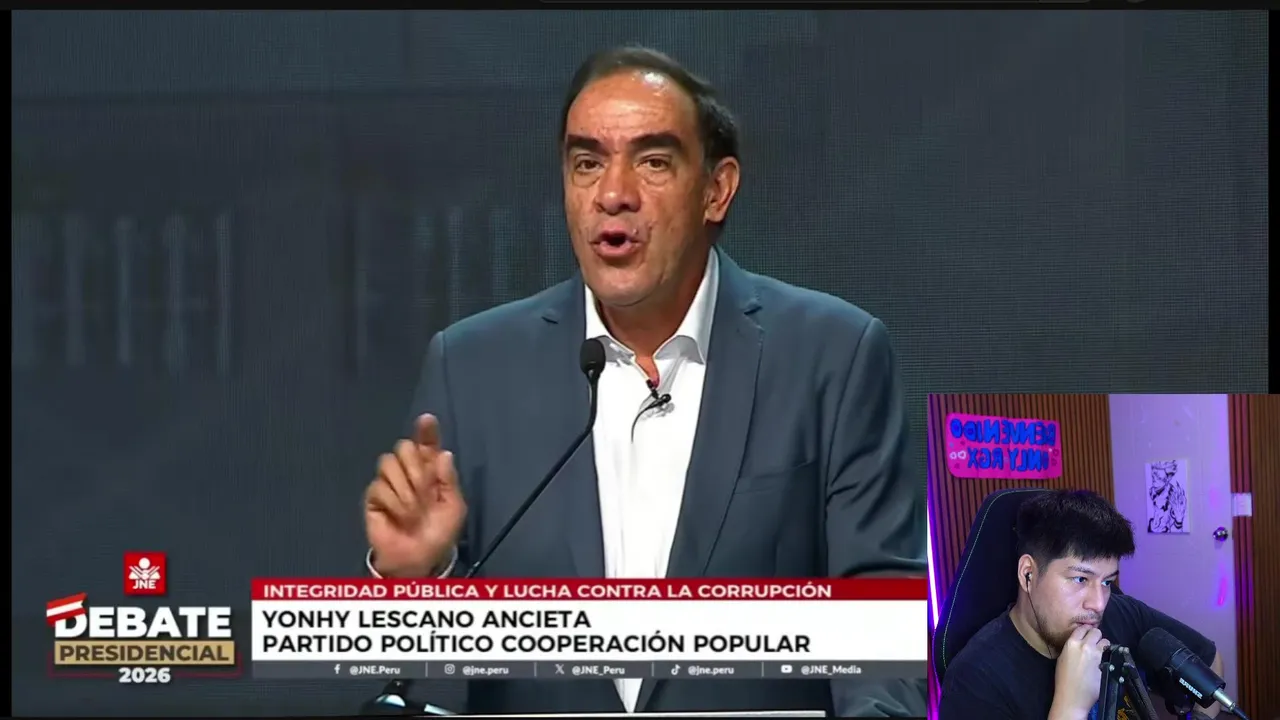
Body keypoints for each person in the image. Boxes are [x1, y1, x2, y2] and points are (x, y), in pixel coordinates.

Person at [362, 45, 926, 717]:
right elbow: (409, 683)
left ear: (716, 190)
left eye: (653, 161)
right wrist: (413, 582)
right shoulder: (472, 367)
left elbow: (880, 644)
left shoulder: (833, 356)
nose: (613, 194)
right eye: (587, 163)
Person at [938, 490, 1226, 720]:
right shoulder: (974, 681)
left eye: (1107, 582)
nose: (1098, 604)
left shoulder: (1121, 613)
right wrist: (1071, 706)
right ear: (1028, 574)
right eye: (1080, 579)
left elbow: (1209, 660)